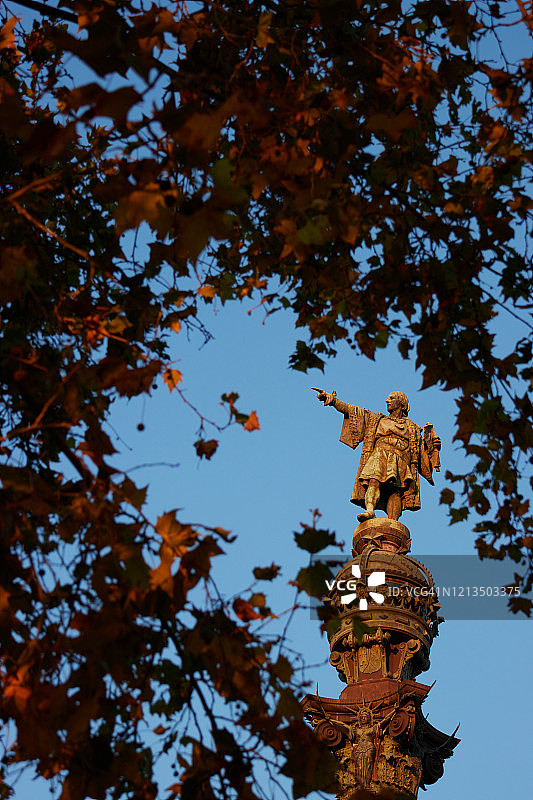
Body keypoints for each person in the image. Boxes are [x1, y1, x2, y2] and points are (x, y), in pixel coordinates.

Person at [314, 389, 441, 522]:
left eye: (392, 398)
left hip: (401, 459)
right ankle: (370, 510)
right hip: (380, 453)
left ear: (402, 403)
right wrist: (333, 401)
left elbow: (423, 457)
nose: (387, 400)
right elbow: (352, 411)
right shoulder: (376, 419)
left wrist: (434, 447)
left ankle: (393, 521)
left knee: (396, 490)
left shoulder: (413, 428)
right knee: (373, 481)